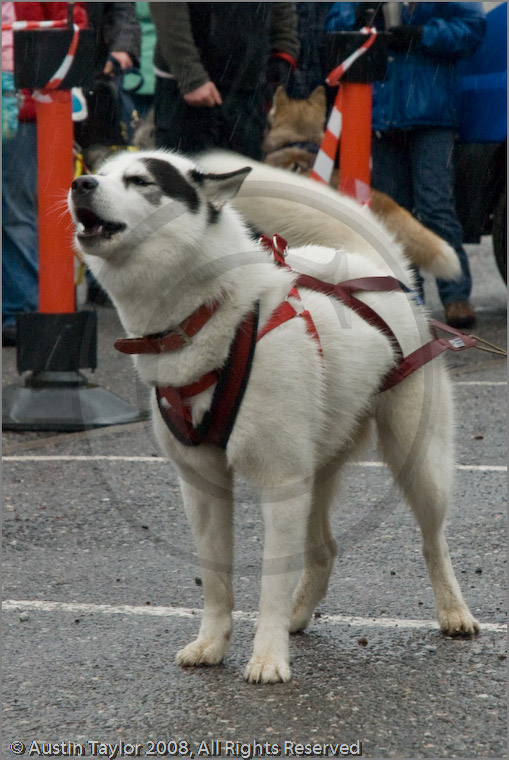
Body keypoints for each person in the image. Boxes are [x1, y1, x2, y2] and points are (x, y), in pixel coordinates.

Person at [325, 2, 486, 328]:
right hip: (383, 115)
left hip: (433, 116)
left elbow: (473, 29)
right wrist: (360, 13)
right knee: (395, 214)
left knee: (436, 206)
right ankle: (410, 298)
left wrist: (421, 35)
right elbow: (335, 26)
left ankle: (456, 295)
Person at [2, 1, 88, 347]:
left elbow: (72, 26)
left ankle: (25, 309)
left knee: (15, 212)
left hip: (24, 107)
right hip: (24, 103)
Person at [148, 2, 300, 160]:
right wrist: (191, 77)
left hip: (248, 87)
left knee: (244, 176)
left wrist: (284, 51)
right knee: (183, 175)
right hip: (186, 90)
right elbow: (167, 11)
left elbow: (283, 9)